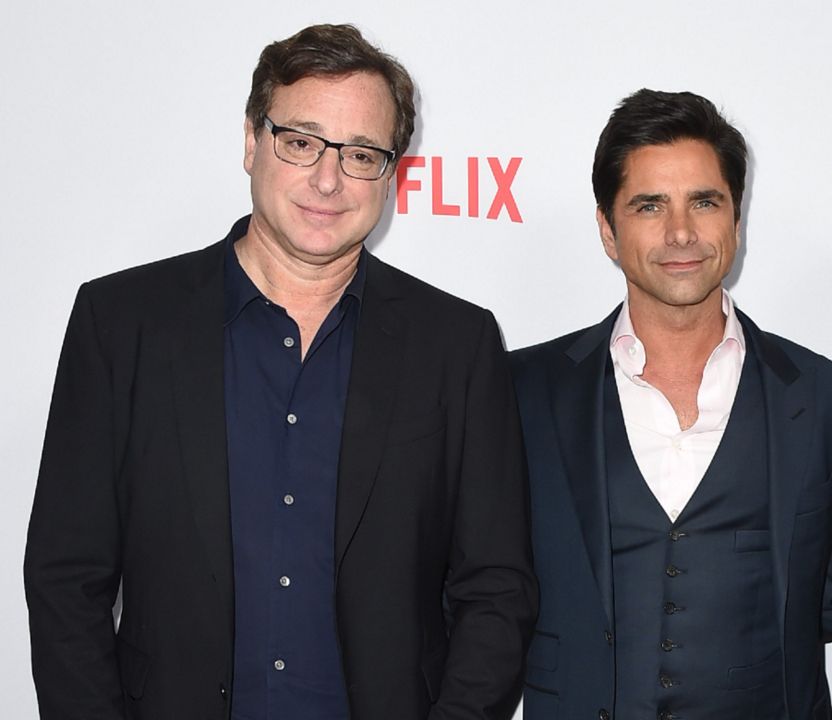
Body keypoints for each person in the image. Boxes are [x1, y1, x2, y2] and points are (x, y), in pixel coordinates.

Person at [24, 23, 535, 720]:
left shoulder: (457, 344)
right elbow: (65, 579)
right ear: (250, 141)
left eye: (361, 154)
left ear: (391, 173)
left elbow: (496, 589)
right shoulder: (121, 323)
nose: (328, 179)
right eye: (301, 142)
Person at [510, 88, 832, 720]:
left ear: (736, 219)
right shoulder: (522, 390)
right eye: (649, 206)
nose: (681, 232)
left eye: (705, 202)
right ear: (607, 230)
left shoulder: (826, 395)